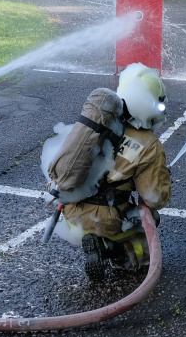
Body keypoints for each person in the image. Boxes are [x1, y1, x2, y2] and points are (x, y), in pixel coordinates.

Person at [61, 63, 172, 279]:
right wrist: (164, 179)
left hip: (69, 210)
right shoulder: (148, 144)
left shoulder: (99, 122)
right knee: (145, 249)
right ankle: (110, 249)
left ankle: (93, 238)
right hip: (104, 220)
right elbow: (155, 198)